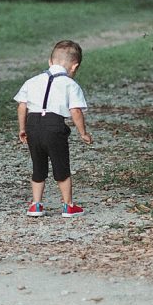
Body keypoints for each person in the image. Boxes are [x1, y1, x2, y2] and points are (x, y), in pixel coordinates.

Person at [14, 40, 93, 217]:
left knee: (38, 166)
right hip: (54, 126)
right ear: (74, 66)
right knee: (61, 166)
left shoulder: (32, 81)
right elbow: (75, 111)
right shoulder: (70, 84)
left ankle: (36, 205)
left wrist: (22, 128)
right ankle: (68, 205)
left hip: (33, 125)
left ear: (50, 61)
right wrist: (83, 133)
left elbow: (22, 105)